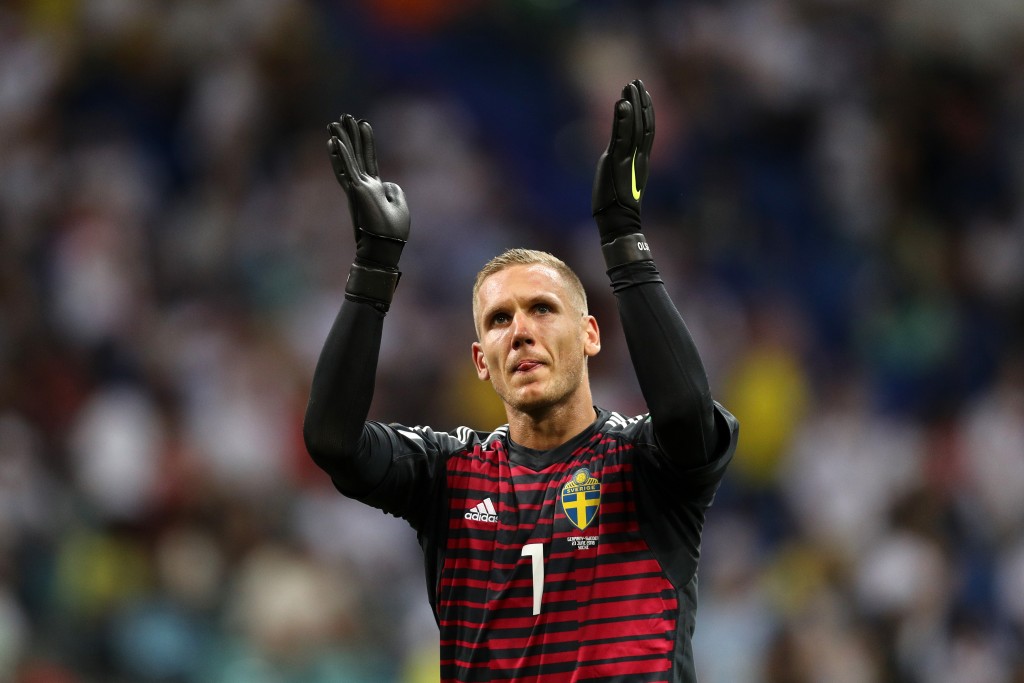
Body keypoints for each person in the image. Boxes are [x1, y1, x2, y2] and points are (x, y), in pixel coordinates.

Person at [303, 79, 739, 683]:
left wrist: (622, 239)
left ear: (591, 334)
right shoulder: (448, 474)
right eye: (499, 320)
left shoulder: (644, 463)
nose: (520, 332)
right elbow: (332, 441)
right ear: (482, 360)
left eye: (542, 309)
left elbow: (688, 415)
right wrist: (373, 268)